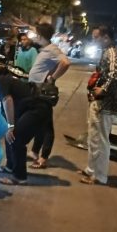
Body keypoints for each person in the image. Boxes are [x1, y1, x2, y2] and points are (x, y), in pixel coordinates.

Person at [0, 66, 53, 185]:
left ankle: (19, 177)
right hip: (32, 108)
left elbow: (8, 100)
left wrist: (11, 126)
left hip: (37, 108)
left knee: (16, 138)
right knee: (9, 135)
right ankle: (10, 166)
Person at [80, 25, 117, 185]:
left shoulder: (112, 52)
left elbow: (115, 74)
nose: (94, 40)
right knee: (93, 137)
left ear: (106, 37)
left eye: (96, 37)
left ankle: (100, 175)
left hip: (106, 103)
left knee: (100, 139)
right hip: (100, 101)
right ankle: (91, 169)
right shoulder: (107, 51)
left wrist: (103, 89)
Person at [26, 23, 71, 169]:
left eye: (35, 33)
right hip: (36, 90)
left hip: (43, 92)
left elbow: (65, 63)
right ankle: (35, 152)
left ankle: (43, 158)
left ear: (40, 35)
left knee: (46, 126)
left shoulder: (52, 49)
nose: (33, 36)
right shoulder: (45, 49)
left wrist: (52, 78)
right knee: (40, 123)